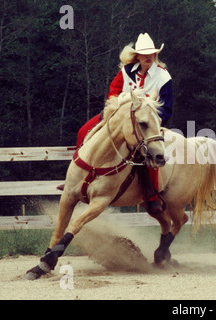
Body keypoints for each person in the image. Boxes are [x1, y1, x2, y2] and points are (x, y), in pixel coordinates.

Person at [74, 33, 173, 216]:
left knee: (149, 156)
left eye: (151, 53)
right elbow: (113, 91)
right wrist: (119, 105)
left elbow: (167, 108)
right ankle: (75, 178)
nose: (148, 57)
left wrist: (151, 121)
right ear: (137, 56)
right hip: (119, 116)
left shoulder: (163, 77)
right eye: (144, 54)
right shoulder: (127, 71)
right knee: (83, 131)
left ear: (155, 55)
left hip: (147, 124)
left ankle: (151, 196)